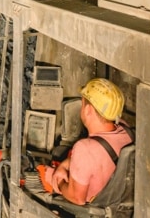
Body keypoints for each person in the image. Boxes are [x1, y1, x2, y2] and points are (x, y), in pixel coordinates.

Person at [37, 78, 132, 206]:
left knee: (40, 174)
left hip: (92, 210)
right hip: (116, 205)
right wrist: (64, 165)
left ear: (88, 110)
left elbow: (77, 199)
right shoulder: (126, 131)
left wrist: (58, 180)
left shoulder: (85, 148)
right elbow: (97, 160)